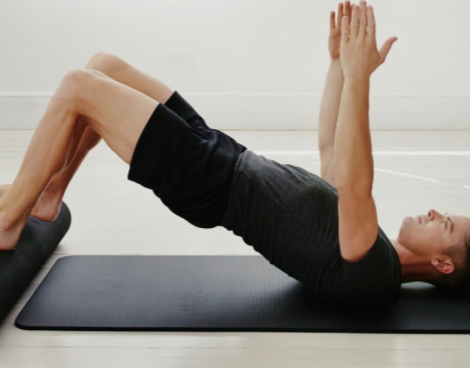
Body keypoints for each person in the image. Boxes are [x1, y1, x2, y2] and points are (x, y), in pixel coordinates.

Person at [1, 1, 469, 307]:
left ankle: (9, 218)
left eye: (443, 223)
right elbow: (331, 148)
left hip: (209, 180)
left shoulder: (374, 274)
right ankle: (49, 193)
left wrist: (360, 77)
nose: (433, 212)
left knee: (78, 88)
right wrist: (336, 66)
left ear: (443, 264)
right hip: (222, 153)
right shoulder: (373, 242)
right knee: (103, 66)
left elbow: (355, 184)